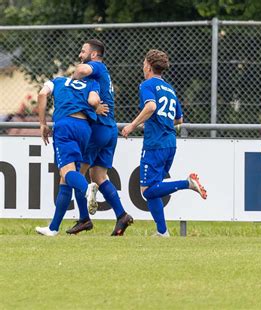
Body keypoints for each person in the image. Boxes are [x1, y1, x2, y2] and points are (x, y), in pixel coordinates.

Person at [121, 49, 207, 237]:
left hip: (155, 144)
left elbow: (151, 106)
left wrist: (133, 125)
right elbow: (179, 119)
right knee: (154, 188)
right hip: (170, 143)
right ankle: (162, 232)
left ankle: (187, 183)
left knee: (148, 190)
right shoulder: (169, 89)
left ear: (149, 66)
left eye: (144, 63)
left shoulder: (146, 85)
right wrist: (153, 122)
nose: (142, 66)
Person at [67, 39, 134, 236]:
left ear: (94, 54)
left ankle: (84, 219)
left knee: (76, 172)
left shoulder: (95, 66)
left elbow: (81, 70)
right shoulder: (101, 73)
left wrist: (71, 83)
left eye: (83, 51)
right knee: (98, 176)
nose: (80, 55)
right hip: (110, 128)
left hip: (97, 128)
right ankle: (122, 215)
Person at [35, 76, 101, 236]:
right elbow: (94, 102)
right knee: (66, 177)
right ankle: (53, 227)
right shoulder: (92, 83)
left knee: (66, 172)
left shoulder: (57, 81)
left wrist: (43, 123)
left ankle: (87, 188)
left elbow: (42, 94)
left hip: (65, 125)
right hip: (84, 128)